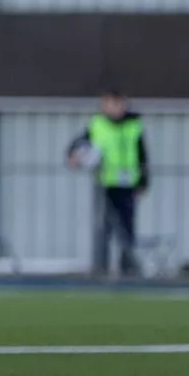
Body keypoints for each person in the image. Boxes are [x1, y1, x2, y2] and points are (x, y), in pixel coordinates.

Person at [67, 89, 150, 277]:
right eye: (110, 103)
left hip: (128, 182)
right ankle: (101, 266)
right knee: (105, 226)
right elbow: (78, 144)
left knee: (127, 226)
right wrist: (73, 156)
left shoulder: (134, 125)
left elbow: (142, 154)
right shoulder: (97, 124)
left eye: (117, 103)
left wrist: (144, 181)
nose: (114, 108)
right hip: (105, 183)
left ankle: (127, 266)